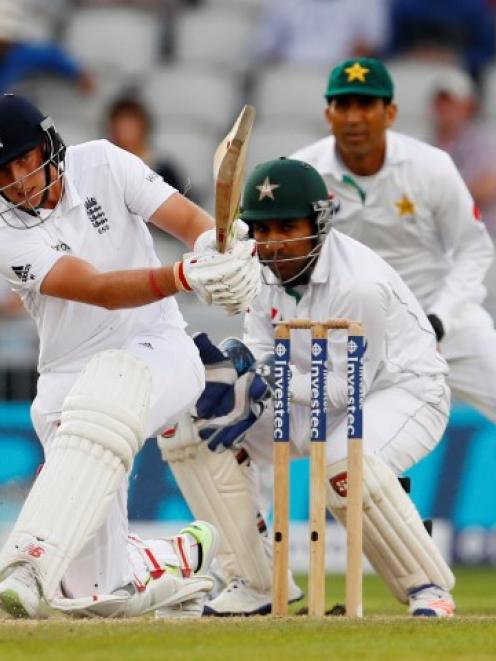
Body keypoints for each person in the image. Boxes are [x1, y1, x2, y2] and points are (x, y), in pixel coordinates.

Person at [0, 93, 261, 619]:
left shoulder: (103, 161)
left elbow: (189, 222)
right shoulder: (3, 229)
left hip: (159, 349)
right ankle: (170, 558)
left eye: (25, 160)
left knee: (110, 392)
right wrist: (184, 275)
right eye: (3, 172)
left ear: (50, 145)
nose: (18, 180)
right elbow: (98, 289)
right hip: (65, 379)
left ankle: (24, 561)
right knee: (95, 598)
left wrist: (219, 246)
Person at [161, 157, 456, 618]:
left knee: (343, 463)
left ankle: (428, 587)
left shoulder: (359, 285)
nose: (274, 244)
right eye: (262, 230)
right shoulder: (257, 269)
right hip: (305, 388)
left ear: (320, 223)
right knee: (187, 428)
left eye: (287, 227)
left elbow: (345, 393)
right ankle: (256, 583)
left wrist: (266, 374)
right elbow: (262, 348)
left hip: (402, 392)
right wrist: (239, 368)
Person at [290, 57, 496, 427]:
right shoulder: (302, 174)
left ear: (390, 113)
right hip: (352, 331)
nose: (354, 118)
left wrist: (440, 319)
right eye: (344, 106)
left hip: (439, 316)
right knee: (282, 421)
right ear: (328, 114)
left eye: (366, 105)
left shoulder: (431, 166)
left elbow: (473, 248)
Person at [429, 67, 496, 240]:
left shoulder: (484, 143)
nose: (444, 109)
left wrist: (438, 195)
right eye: (440, 102)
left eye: (450, 102)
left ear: (468, 106)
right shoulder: (425, 144)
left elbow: (489, 188)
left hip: (483, 238)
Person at [252, 0, 389, 66]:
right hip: (291, 75)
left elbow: (372, 43)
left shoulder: (368, 2)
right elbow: (266, 47)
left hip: (342, 76)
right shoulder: (283, 3)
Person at [104, 94, 190, 198]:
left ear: (144, 126)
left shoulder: (164, 171)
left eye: (130, 121)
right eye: (120, 122)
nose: (125, 129)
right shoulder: (104, 170)